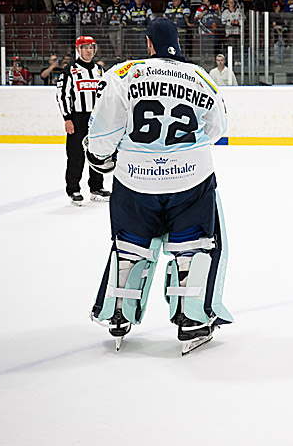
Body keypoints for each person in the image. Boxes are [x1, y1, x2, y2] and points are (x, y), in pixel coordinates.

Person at [86, 17, 232, 354]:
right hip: (190, 179)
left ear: (149, 44)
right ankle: (191, 318)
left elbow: (105, 130)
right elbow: (216, 129)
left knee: (131, 246)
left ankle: (119, 314)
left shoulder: (124, 75)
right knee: (191, 247)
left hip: (135, 178)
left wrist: (101, 158)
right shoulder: (200, 78)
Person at [55, 36, 109, 205]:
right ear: (78, 49)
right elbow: (62, 96)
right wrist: (67, 118)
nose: (89, 51)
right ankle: (73, 189)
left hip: (97, 119)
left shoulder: (100, 71)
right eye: (85, 47)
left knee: (97, 153)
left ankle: (96, 187)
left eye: (92, 47)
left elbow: (106, 94)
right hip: (78, 118)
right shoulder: (70, 71)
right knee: (76, 155)